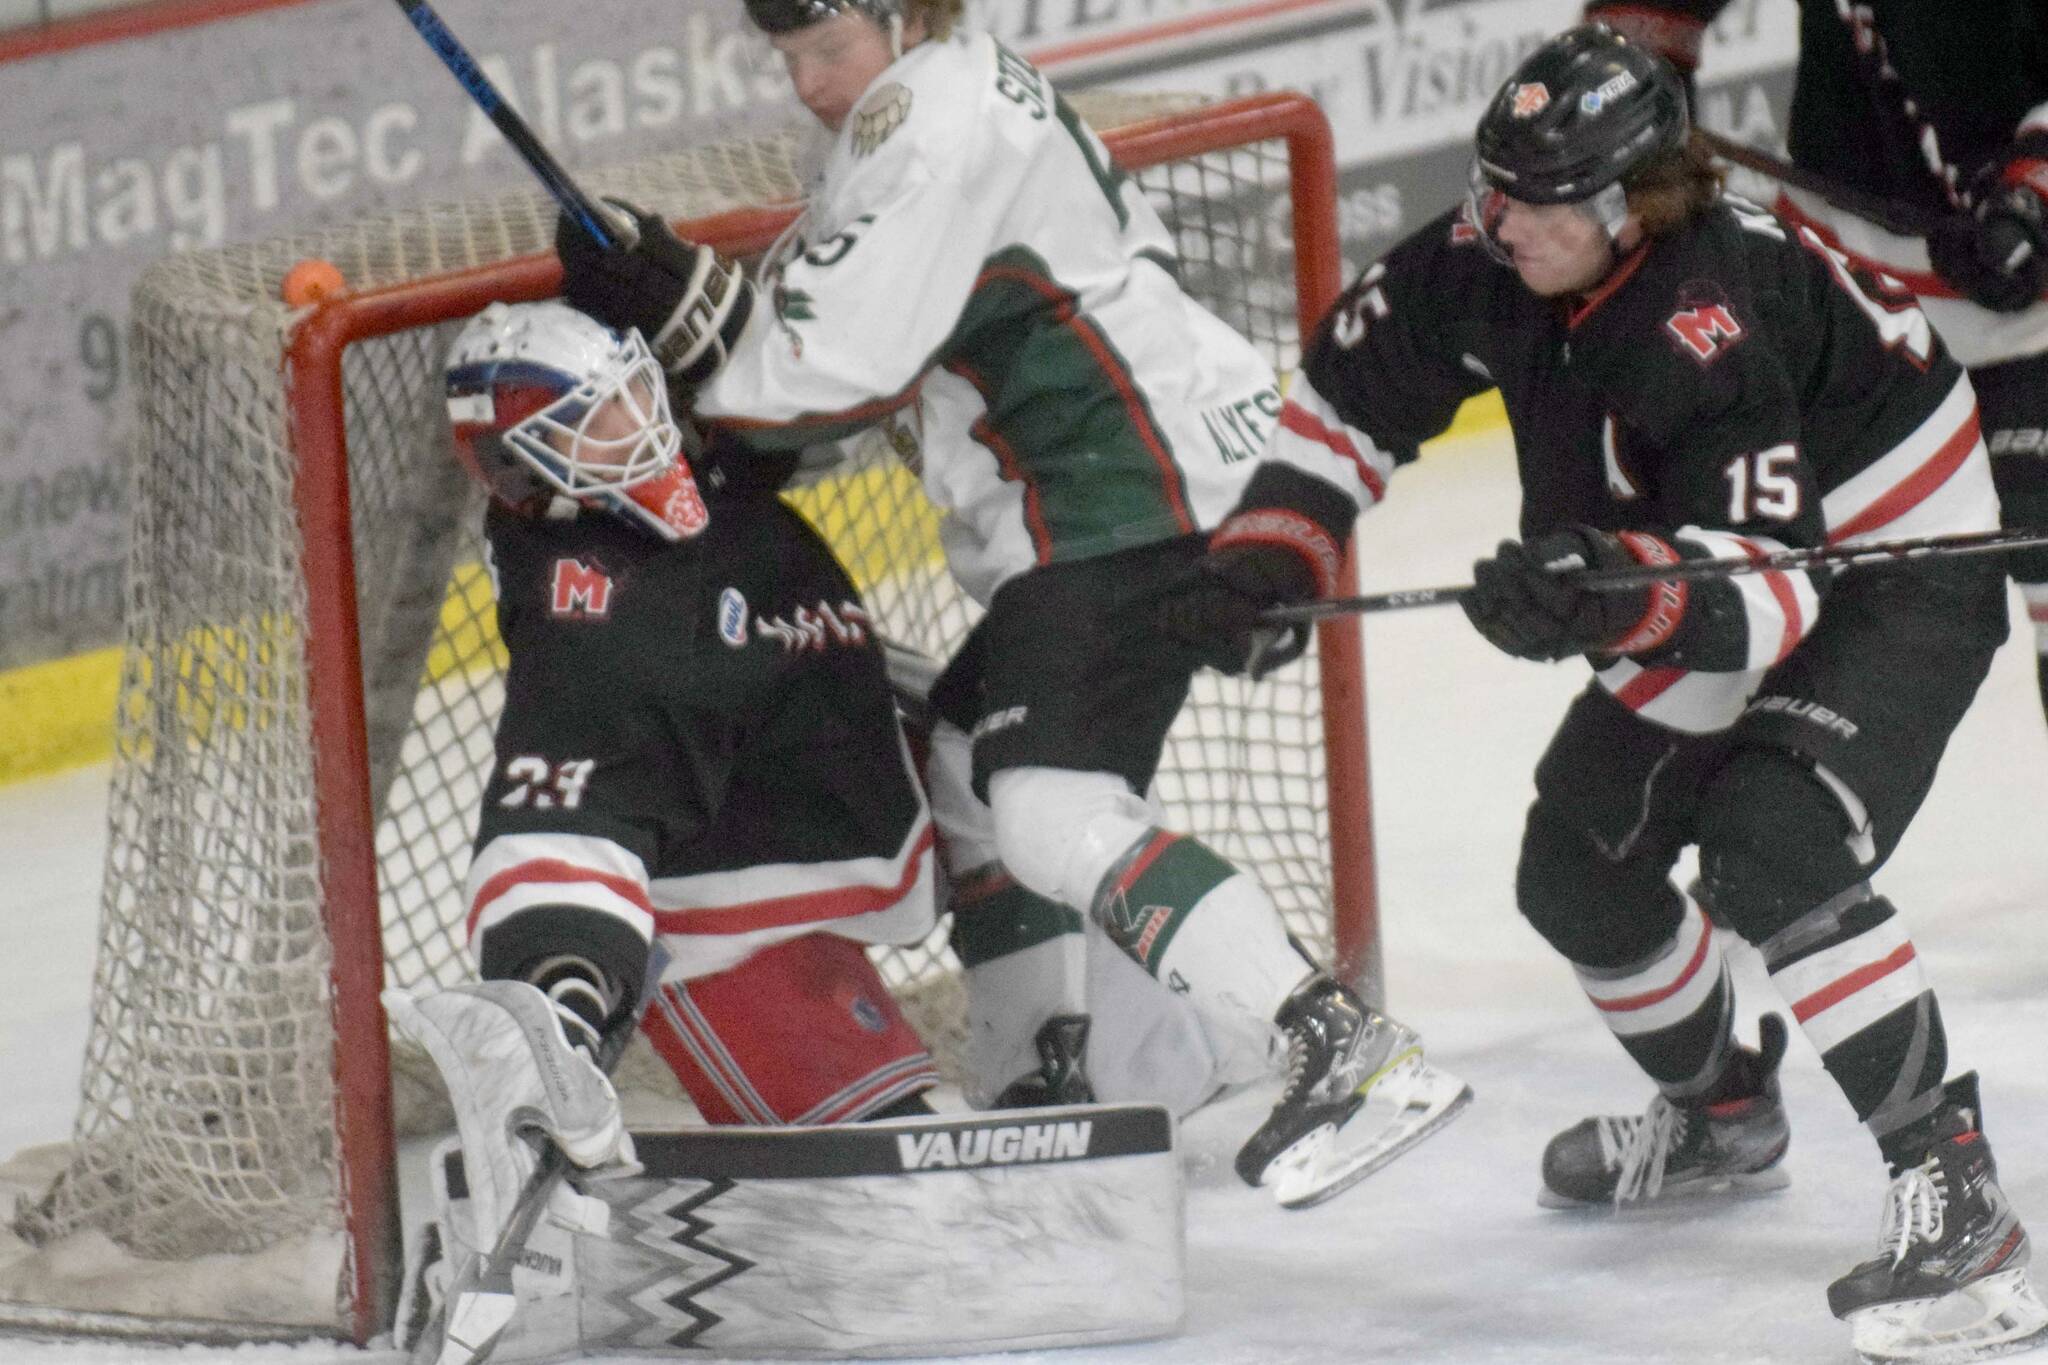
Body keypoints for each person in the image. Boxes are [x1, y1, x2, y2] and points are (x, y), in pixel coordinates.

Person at [1161, 23, 2046, 1362]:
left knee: (1775, 844)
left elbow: (1776, 596)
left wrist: (1608, 586)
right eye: (1490, 180)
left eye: (1531, 198)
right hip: (1732, 559)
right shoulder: (1493, 254)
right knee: (1576, 863)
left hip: (1885, 569)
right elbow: (1350, 395)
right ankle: (1721, 1114)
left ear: (1629, 205)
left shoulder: (1712, 315)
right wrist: (1271, 545)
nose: (1492, 217)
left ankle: (1962, 1203)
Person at [549, 0, 1468, 1202]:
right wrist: (688, 298)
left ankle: (1335, 1046)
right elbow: (842, 334)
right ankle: (1072, 1076)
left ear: (901, 15)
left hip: (1130, 493)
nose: (809, 84)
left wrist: (683, 319)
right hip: (1131, 485)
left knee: (1045, 808)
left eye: (825, 49)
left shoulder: (935, 117)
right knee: (969, 760)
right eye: (787, 59)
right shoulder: (921, 105)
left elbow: (830, 369)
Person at [387, 298, 947, 1268]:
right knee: (891, 1192)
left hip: (817, 784)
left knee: (1029, 774)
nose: (642, 432)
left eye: (637, 399)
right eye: (598, 425)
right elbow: (561, 818)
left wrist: (693, 296)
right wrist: (561, 994)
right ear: (530, 465)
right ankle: (550, 1080)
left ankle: (1063, 1055)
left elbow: (808, 397)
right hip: (727, 904)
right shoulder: (591, 615)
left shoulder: (692, 481)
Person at [1581, 0, 2048, 730]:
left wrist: (2036, 196)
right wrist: (1636, 81)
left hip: (2035, 321)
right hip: (1857, 303)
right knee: (1768, 592)